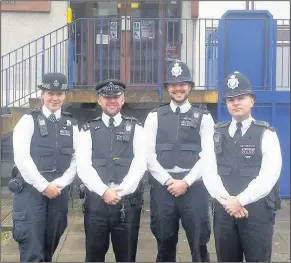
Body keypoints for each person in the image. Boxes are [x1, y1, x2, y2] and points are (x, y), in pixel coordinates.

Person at [144, 60, 214, 262]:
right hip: (163, 188)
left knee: (199, 243)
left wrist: (186, 182)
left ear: (190, 86)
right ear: (167, 88)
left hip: (195, 187)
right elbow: (148, 155)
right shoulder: (154, 116)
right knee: (164, 242)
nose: (178, 89)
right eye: (173, 84)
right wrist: (168, 181)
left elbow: (208, 155)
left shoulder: (204, 117)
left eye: (183, 83)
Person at [211, 71, 282, 262]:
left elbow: (269, 176)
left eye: (241, 98)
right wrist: (229, 202)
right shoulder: (215, 133)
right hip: (225, 212)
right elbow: (209, 172)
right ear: (226, 103)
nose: (236, 103)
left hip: (257, 214)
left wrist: (239, 201)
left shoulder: (266, 134)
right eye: (231, 99)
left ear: (252, 101)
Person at [76, 79, 147, 262]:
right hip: (96, 203)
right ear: (99, 100)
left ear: (123, 99)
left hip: (126, 203)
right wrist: (104, 191)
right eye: (107, 97)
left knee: (126, 256)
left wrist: (120, 191)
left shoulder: (136, 128)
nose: (111, 100)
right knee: (94, 256)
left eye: (116, 97)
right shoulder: (87, 129)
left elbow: (140, 162)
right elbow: (83, 166)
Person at [11, 72, 78, 262]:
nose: (55, 98)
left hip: (58, 192)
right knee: (32, 249)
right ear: (42, 94)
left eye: (59, 94)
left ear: (65, 95)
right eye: (50, 93)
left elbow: (76, 159)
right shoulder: (28, 120)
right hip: (31, 192)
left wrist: (60, 184)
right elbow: (22, 158)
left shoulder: (71, 123)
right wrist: (43, 186)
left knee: (51, 244)